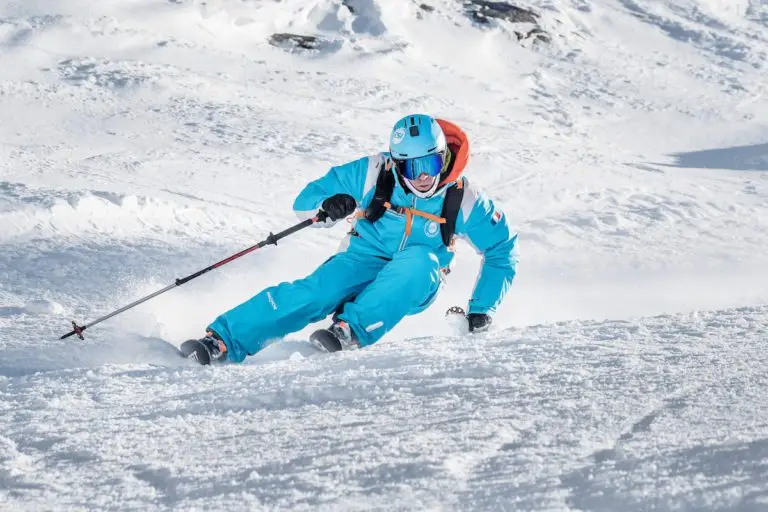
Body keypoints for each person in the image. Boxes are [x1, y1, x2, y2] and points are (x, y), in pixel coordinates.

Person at [183, 114, 518, 364]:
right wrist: (327, 205)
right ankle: (223, 340)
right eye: (412, 169)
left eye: (431, 163)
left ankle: (350, 330)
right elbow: (306, 201)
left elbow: (501, 250)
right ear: (397, 164)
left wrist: (482, 309)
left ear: (443, 156)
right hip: (360, 259)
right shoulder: (374, 171)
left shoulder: (466, 198)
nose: (425, 177)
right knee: (315, 292)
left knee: (418, 262)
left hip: (417, 278)